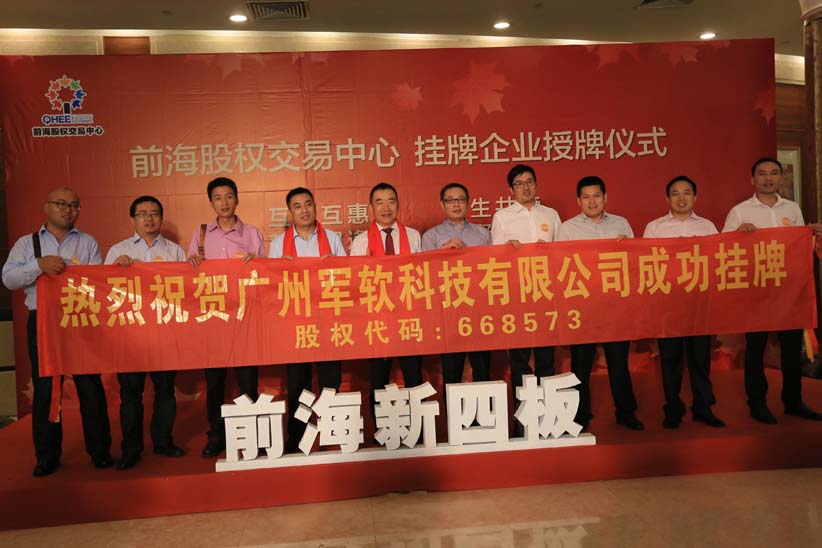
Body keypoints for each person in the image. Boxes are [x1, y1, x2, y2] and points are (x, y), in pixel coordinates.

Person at [2, 187, 112, 476]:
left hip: (80, 320)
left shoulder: (87, 242)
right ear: (47, 207)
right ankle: (47, 456)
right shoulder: (28, 244)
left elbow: (97, 282)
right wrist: (38, 266)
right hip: (43, 323)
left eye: (74, 205)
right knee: (46, 389)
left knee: (90, 387)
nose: (67, 209)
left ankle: (100, 451)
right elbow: (9, 279)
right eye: (61, 204)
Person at [722, 157, 822, 424]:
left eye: (774, 173)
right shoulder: (740, 211)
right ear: (752, 179)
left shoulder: (792, 208)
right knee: (756, 348)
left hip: (789, 292)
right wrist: (738, 234)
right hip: (756, 293)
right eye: (762, 173)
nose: (768, 178)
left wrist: (814, 234)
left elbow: (800, 247)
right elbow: (722, 248)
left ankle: (793, 401)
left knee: (791, 348)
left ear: (781, 178)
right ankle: (757, 403)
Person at [105, 196, 187, 470]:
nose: (149, 219)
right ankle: (131, 449)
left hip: (165, 332)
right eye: (142, 214)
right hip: (131, 334)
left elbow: (187, 289)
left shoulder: (175, 251)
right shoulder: (118, 250)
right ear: (133, 219)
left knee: (165, 390)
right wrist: (115, 269)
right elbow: (104, 291)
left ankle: (163, 441)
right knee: (131, 394)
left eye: (154, 213)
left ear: (161, 218)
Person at [187, 177, 266, 457]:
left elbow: (266, 276)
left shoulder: (252, 233)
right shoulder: (201, 235)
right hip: (214, 320)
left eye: (229, 196)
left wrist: (257, 263)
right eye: (218, 198)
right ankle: (217, 435)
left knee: (247, 381)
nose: (224, 202)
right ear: (211, 202)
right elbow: (189, 278)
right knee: (215, 383)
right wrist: (192, 264)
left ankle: (253, 435)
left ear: (237, 199)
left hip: (245, 319)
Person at [557, 176, 643, 431]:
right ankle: (580, 414)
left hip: (615, 305)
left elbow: (634, 263)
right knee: (581, 364)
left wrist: (628, 249)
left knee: (618, 362)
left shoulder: (621, 224)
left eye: (596, 195)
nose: (592, 201)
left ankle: (626, 411)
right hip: (583, 306)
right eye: (586, 197)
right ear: (578, 201)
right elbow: (560, 266)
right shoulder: (567, 229)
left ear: (605, 197)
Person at [643, 176, 724, 429]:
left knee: (700, 359)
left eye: (686, 193)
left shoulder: (707, 226)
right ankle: (673, 408)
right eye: (675, 193)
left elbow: (718, 260)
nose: (681, 198)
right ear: (667, 199)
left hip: (699, 303)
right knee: (670, 360)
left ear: (695, 197)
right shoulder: (655, 228)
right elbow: (645, 263)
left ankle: (703, 407)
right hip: (667, 305)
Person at [269, 187, 346, 452]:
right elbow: (271, 286)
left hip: (328, 320)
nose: (304, 210)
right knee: (298, 383)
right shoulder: (278, 244)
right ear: (290, 212)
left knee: (330, 380)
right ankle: (298, 436)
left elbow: (348, 278)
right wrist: (280, 270)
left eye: (308, 204)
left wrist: (337, 265)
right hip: (296, 323)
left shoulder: (332, 239)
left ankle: (331, 432)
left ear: (315, 206)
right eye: (298, 206)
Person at [490, 164, 560, 435]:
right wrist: (507, 251)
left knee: (546, 361)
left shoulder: (551, 215)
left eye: (529, 181)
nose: (526, 187)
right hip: (517, 297)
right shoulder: (502, 217)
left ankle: (548, 422)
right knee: (519, 362)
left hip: (546, 295)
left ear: (536, 185)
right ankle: (523, 423)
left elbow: (563, 253)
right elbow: (494, 258)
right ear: (511, 189)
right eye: (519, 183)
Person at [350, 182, 423, 418]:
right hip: (377, 320)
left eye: (391, 201)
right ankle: (381, 429)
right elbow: (355, 285)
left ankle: (418, 428)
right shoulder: (361, 242)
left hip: (408, 317)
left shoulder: (413, 236)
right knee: (378, 378)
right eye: (379, 202)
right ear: (371, 207)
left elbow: (423, 274)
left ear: (398, 205)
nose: (386, 207)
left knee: (413, 375)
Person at [421, 182, 492, 397]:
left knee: (483, 370)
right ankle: (453, 417)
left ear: (468, 203)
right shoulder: (431, 236)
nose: (456, 204)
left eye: (461, 199)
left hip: (479, 310)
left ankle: (484, 415)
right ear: (442, 205)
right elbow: (425, 273)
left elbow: (494, 268)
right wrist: (442, 251)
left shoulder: (482, 234)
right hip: (448, 312)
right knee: (452, 372)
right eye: (450, 200)